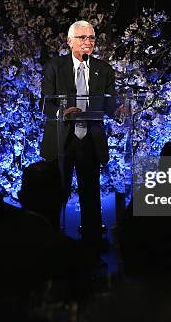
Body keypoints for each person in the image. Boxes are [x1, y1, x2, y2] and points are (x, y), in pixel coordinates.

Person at [40, 20, 117, 251]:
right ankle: (52, 244)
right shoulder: (55, 66)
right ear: (69, 41)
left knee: (91, 195)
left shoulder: (104, 69)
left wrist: (120, 109)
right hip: (62, 140)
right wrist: (61, 113)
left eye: (92, 37)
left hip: (90, 139)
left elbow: (110, 104)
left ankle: (92, 245)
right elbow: (45, 104)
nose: (88, 42)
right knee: (56, 194)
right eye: (82, 38)